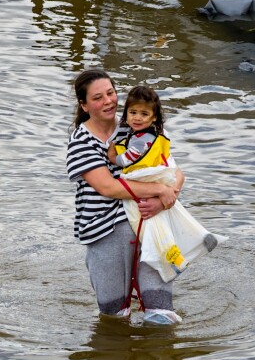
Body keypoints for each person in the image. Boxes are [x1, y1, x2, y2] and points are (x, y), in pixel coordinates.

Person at [67, 69, 182, 325]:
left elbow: (174, 171)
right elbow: (108, 187)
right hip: (104, 231)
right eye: (98, 98)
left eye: (110, 93)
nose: (108, 101)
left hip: (149, 225)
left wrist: (166, 196)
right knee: (113, 317)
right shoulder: (80, 142)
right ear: (84, 105)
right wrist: (158, 190)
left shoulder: (136, 124)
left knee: (161, 313)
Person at [110, 86, 220, 282]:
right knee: (173, 210)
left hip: (144, 179)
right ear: (125, 113)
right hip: (162, 176)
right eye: (132, 112)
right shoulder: (159, 133)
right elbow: (171, 162)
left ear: (153, 117)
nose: (137, 118)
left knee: (144, 221)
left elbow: (127, 159)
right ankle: (200, 235)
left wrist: (112, 156)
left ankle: (169, 259)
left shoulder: (140, 139)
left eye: (144, 114)